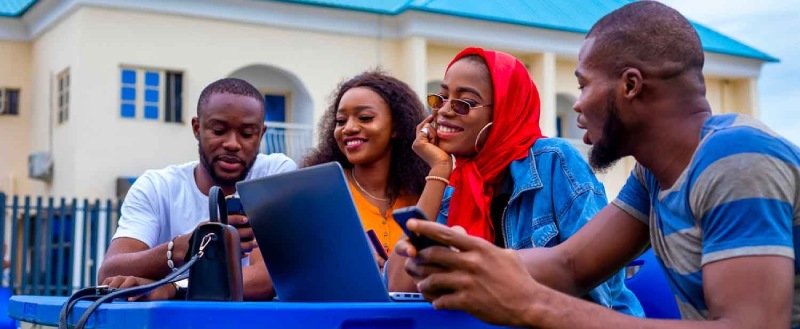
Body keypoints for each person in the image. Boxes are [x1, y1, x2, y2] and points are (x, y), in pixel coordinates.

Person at [398, 2, 799, 328]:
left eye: (583, 84)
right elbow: (570, 264)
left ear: (630, 86)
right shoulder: (653, 174)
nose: (576, 104)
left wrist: (535, 305)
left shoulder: (736, 158)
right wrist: (462, 262)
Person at [387, 47, 643, 316]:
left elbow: (601, 283)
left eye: (464, 103)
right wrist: (439, 170)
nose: (444, 111)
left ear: (504, 110)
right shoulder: (455, 189)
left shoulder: (552, 161)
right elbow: (399, 288)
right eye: (440, 98)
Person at [98, 78, 297, 301]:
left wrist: (173, 287)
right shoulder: (156, 186)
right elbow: (109, 274)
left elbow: (265, 280)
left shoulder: (275, 174)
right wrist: (182, 248)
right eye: (219, 130)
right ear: (196, 128)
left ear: (261, 134)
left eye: (247, 134)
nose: (232, 143)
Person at [304, 70, 428, 269]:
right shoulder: (318, 192)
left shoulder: (424, 192)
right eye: (341, 121)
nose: (349, 128)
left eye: (365, 117)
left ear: (397, 127)